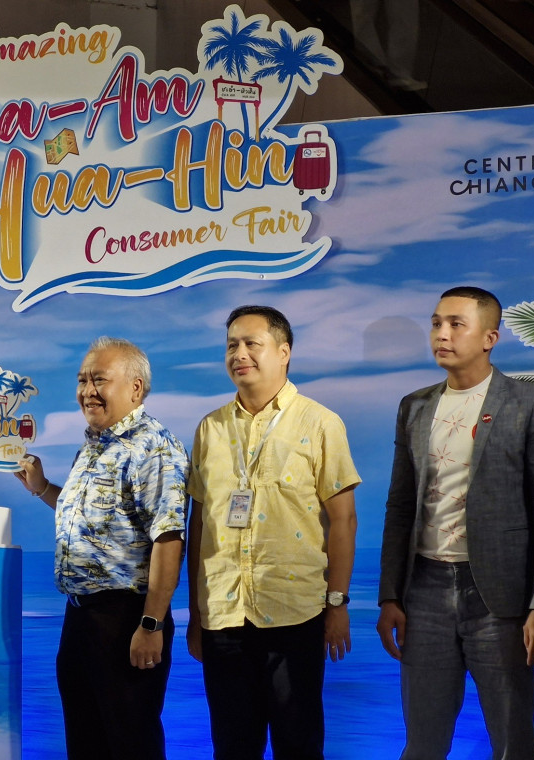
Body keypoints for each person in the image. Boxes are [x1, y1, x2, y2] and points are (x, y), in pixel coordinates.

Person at [377, 286, 534, 758]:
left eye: (455, 324)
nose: (441, 334)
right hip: (424, 591)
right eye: (436, 323)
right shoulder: (414, 406)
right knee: (423, 742)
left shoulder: (529, 403)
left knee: (512, 741)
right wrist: (390, 596)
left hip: (500, 598)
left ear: (489, 338)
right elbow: (399, 508)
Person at [187, 305, 360, 759]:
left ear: (284, 352)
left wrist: (337, 603)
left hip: (295, 613)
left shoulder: (320, 423)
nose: (239, 354)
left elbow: (343, 520)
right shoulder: (210, 428)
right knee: (231, 747)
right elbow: (198, 523)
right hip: (223, 614)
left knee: (298, 745)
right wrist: (196, 614)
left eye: (252, 344)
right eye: (231, 345)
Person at [15, 336, 188, 760]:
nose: (88, 391)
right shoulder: (94, 445)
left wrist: (152, 625)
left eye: (99, 380)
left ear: (135, 388)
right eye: (82, 380)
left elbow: (169, 539)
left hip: (127, 618)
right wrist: (41, 488)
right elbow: (93, 517)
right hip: (80, 617)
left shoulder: (154, 447)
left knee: (131, 743)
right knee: (85, 742)